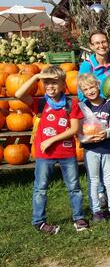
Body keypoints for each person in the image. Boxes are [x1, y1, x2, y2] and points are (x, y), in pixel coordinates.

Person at [14, 66, 87, 233]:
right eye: (46, 83)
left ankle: (79, 217)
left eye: (55, 83)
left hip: (66, 152)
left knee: (74, 187)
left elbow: (74, 129)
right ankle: (38, 221)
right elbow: (18, 94)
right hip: (44, 154)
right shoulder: (40, 103)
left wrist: (51, 140)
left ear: (63, 85)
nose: (50, 86)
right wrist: (37, 76)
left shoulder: (70, 104)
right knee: (40, 188)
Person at [77, 73, 110, 221]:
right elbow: (77, 130)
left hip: (108, 147)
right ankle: (96, 210)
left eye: (92, 87)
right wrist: (85, 138)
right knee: (94, 180)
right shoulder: (83, 107)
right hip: (91, 149)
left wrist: (107, 133)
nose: (90, 91)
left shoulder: (109, 104)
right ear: (82, 92)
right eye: (85, 89)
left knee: (109, 179)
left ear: (98, 86)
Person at [77, 30, 110, 101]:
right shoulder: (87, 66)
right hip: (97, 108)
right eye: (97, 43)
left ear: (108, 43)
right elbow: (81, 93)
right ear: (91, 46)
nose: (101, 46)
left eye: (104, 42)